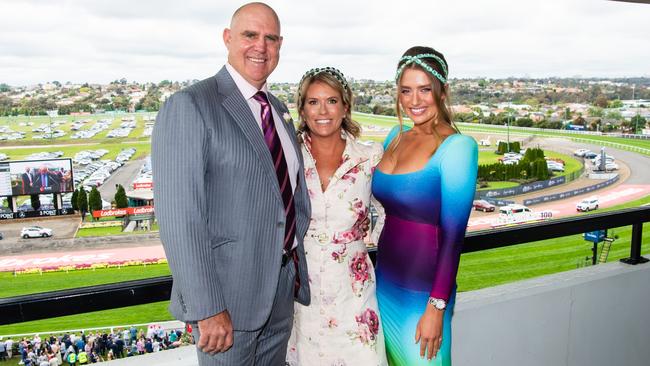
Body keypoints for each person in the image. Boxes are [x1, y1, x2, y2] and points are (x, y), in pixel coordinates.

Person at [151, 2, 311, 365]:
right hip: (227, 305)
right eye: (250, 35)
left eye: (271, 38)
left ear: (280, 45)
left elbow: (287, 198)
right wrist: (207, 307)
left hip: (280, 293)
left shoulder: (278, 109)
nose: (261, 47)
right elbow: (180, 218)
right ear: (227, 38)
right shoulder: (190, 106)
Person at [372, 46, 478, 365]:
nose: (414, 100)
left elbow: (453, 237)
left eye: (424, 90)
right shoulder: (395, 136)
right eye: (406, 90)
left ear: (442, 91)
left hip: (423, 297)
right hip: (383, 285)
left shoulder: (458, 148)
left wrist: (436, 307)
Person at [285, 67, 387, 365]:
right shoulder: (288, 156)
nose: (323, 110)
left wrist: (368, 236)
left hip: (354, 293)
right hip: (304, 294)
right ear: (302, 110)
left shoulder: (369, 156)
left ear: (345, 105)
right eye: (313, 102)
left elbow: (387, 212)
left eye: (331, 100)